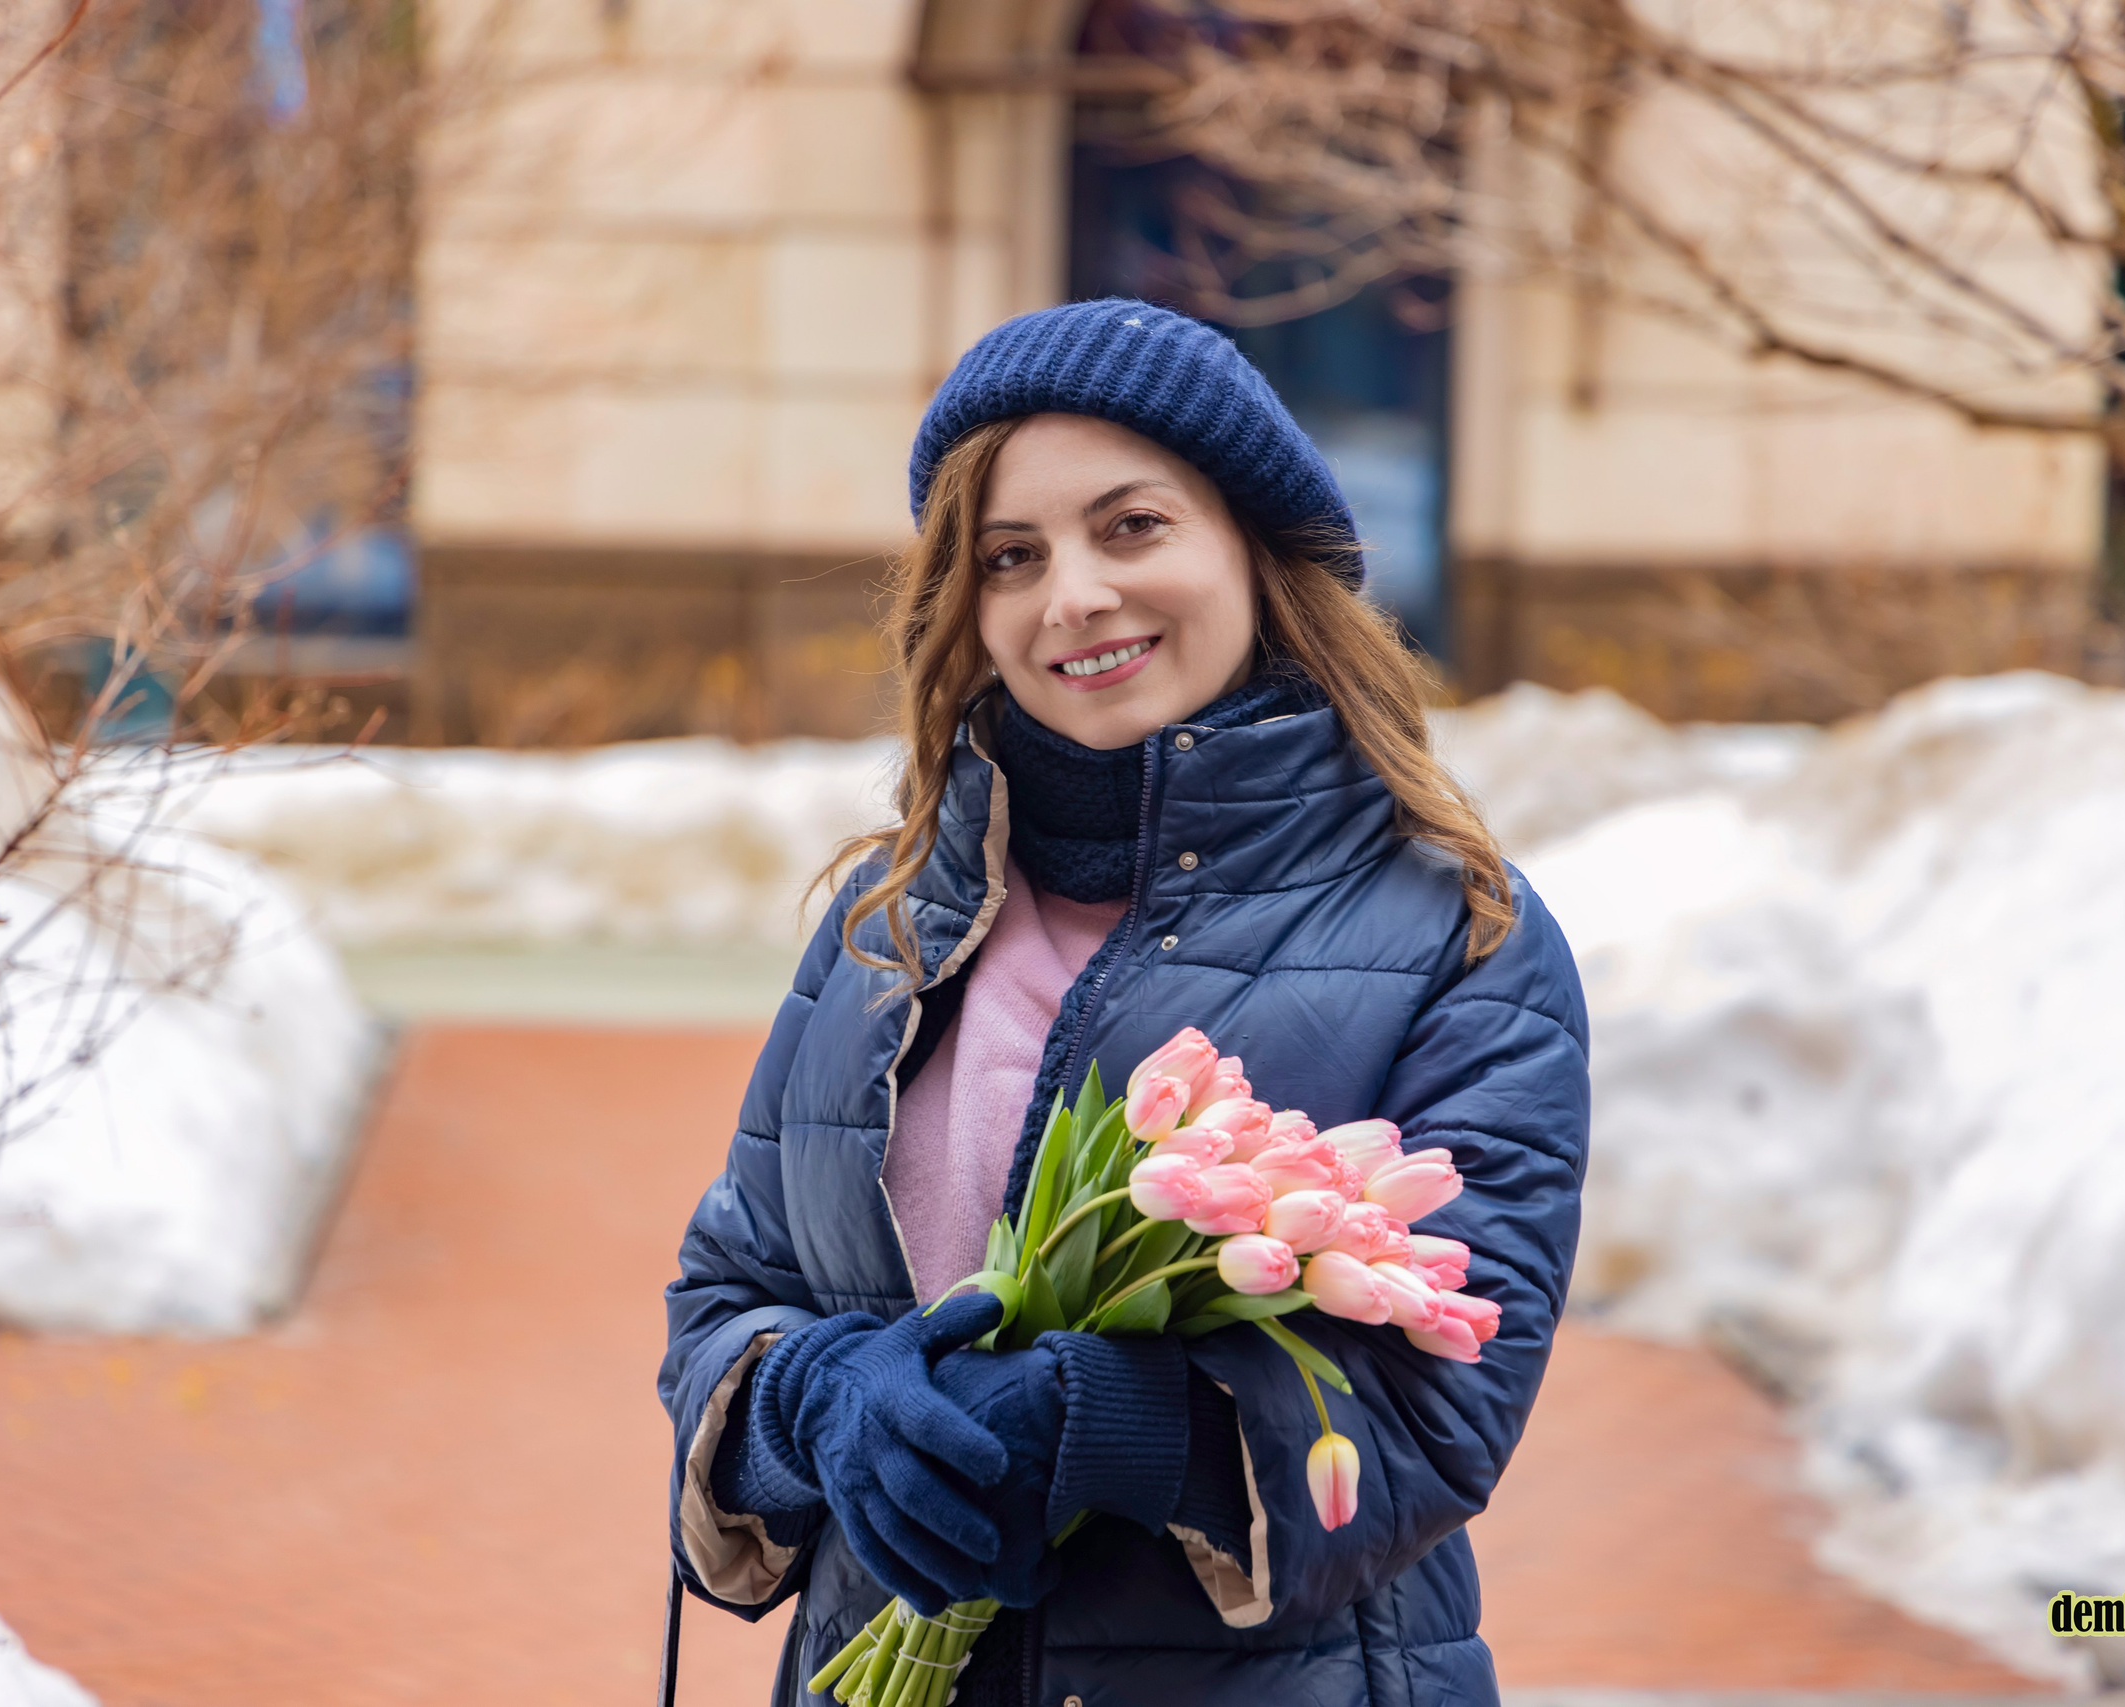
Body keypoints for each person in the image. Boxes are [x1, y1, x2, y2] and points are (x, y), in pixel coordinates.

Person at [659, 298, 1589, 1706]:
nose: (1073, 595)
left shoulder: (1457, 937)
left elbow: (1437, 1413)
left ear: (1252, 551)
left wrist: (1118, 1428)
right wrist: (818, 1403)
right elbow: (727, 1299)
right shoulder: (886, 933)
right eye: (1011, 557)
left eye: (1133, 527)